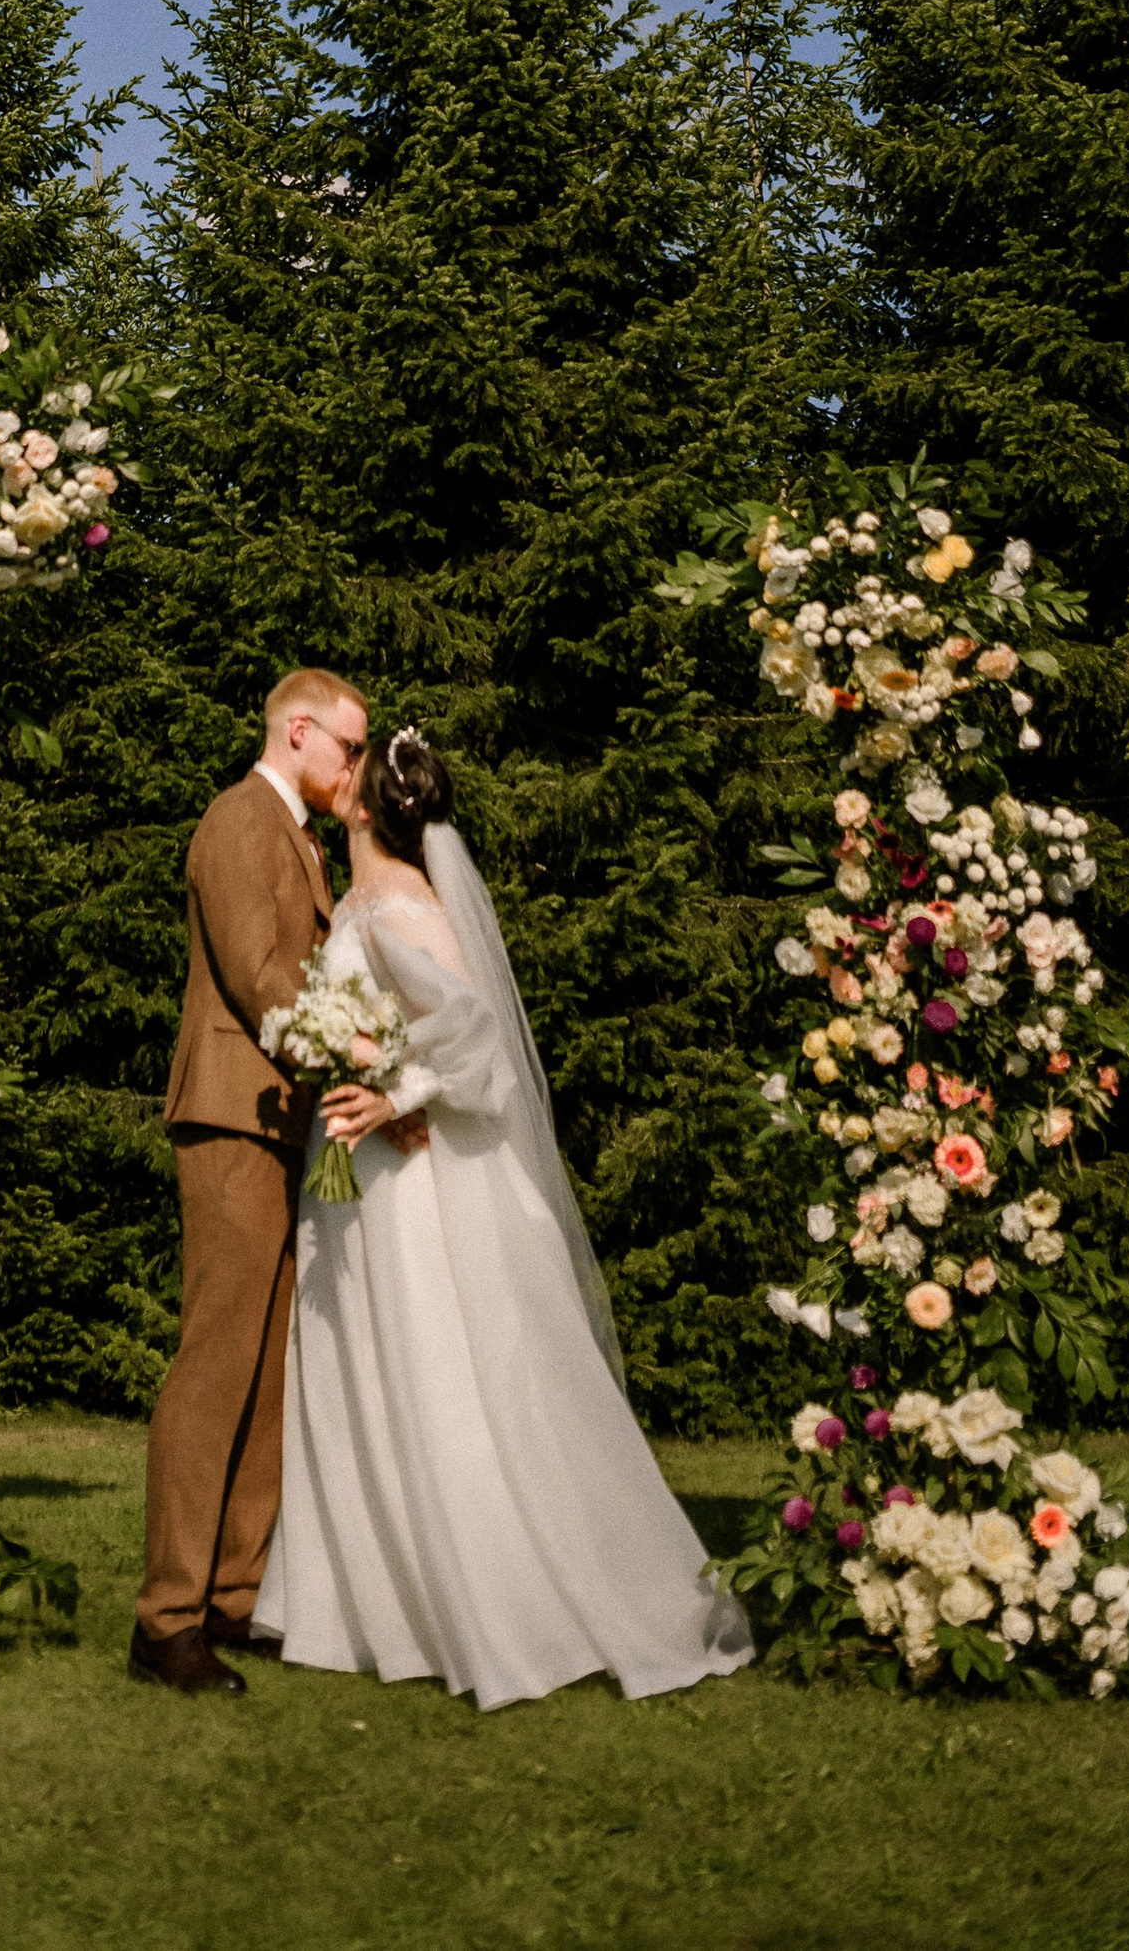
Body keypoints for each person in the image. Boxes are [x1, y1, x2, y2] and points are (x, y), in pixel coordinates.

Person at [254, 727, 755, 1711]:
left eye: (348, 767)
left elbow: (474, 1032)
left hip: (410, 1174)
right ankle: (369, 1611)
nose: (334, 771)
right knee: (365, 1373)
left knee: (439, 1371)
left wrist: (398, 1093)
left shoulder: (398, 901)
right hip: (362, 1166)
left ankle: (496, 1602)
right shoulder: (359, 898)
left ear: (364, 805)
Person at [131, 665, 367, 1695]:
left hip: (279, 1114)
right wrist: (353, 1049)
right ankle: (165, 1617)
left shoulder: (297, 834)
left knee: (269, 1365)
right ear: (299, 730)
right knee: (216, 1359)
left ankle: (231, 1594)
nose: (353, 767)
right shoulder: (238, 818)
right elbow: (254, 970)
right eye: (348, 747)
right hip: (232, 1107)